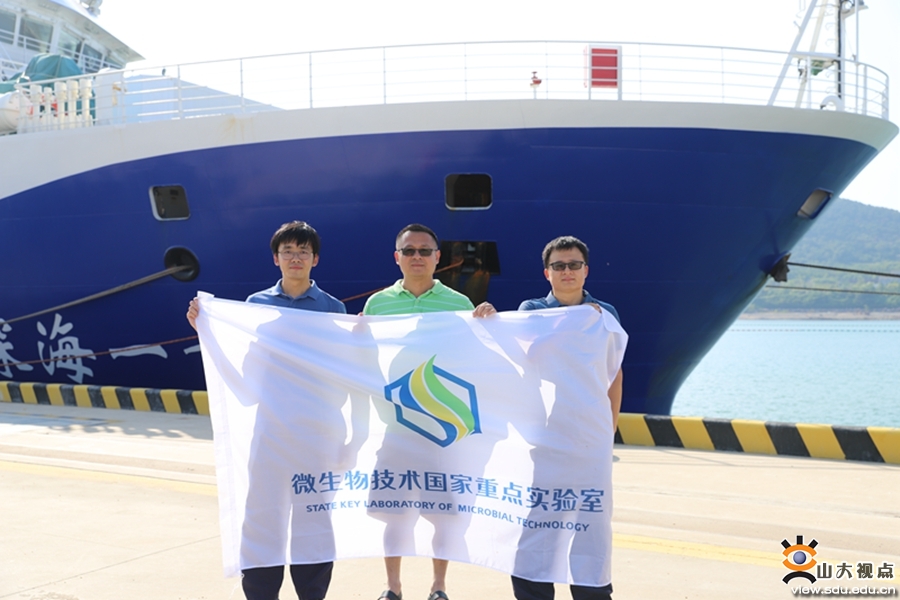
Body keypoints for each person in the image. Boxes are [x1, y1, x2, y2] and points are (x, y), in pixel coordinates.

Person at [187, 220, 345, 600]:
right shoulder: (256, 306)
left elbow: (343, 372)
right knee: (263, 518)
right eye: (288, 251)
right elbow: (247, 370)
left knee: (314, 518)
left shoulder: (333, 309)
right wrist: (205, 327)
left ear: (315, 259)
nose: (295, 258)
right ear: (276, 258)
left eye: (303, 251)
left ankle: (312, 594)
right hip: (270, 432)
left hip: (315, 434)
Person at [363, 223, 495, 600]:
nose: (417, 257)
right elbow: (364, 360)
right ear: (397, 257)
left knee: (443, 515)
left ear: (438, 257)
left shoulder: (459, 304)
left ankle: (438, 586)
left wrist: (489, 327)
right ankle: (393, 587)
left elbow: (476, 359)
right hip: (397, 427)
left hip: (442, 429)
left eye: (424, 251)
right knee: (395, 511)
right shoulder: (377, 305)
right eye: (409, 251)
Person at [512, 235, 622, 600]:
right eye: (558, 266)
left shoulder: (605, 314)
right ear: (547, 273)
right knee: (539, 519)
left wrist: (609, 431)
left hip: (590, 438)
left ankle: (592, 594)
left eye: (574, 265)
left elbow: (614, 374)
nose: (567, 272)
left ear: (586, 270)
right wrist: (574, 322)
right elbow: (524, 355)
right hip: (544, 435)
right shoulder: (531, 310)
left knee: (590, 522)